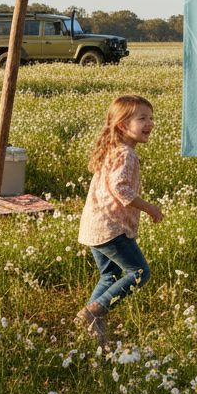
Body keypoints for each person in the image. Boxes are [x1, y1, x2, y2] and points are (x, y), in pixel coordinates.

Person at [75, 94, 164, 347]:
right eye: (142, 118)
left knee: (110, 276)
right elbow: (120, 188)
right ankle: (95, 311)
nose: (150, 123)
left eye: (151, 118)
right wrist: (149, 208)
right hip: (110, 229)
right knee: (139, 272)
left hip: (95, 226)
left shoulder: (114, 149)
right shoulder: (126, 153)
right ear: (123, 126)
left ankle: (90, 322)